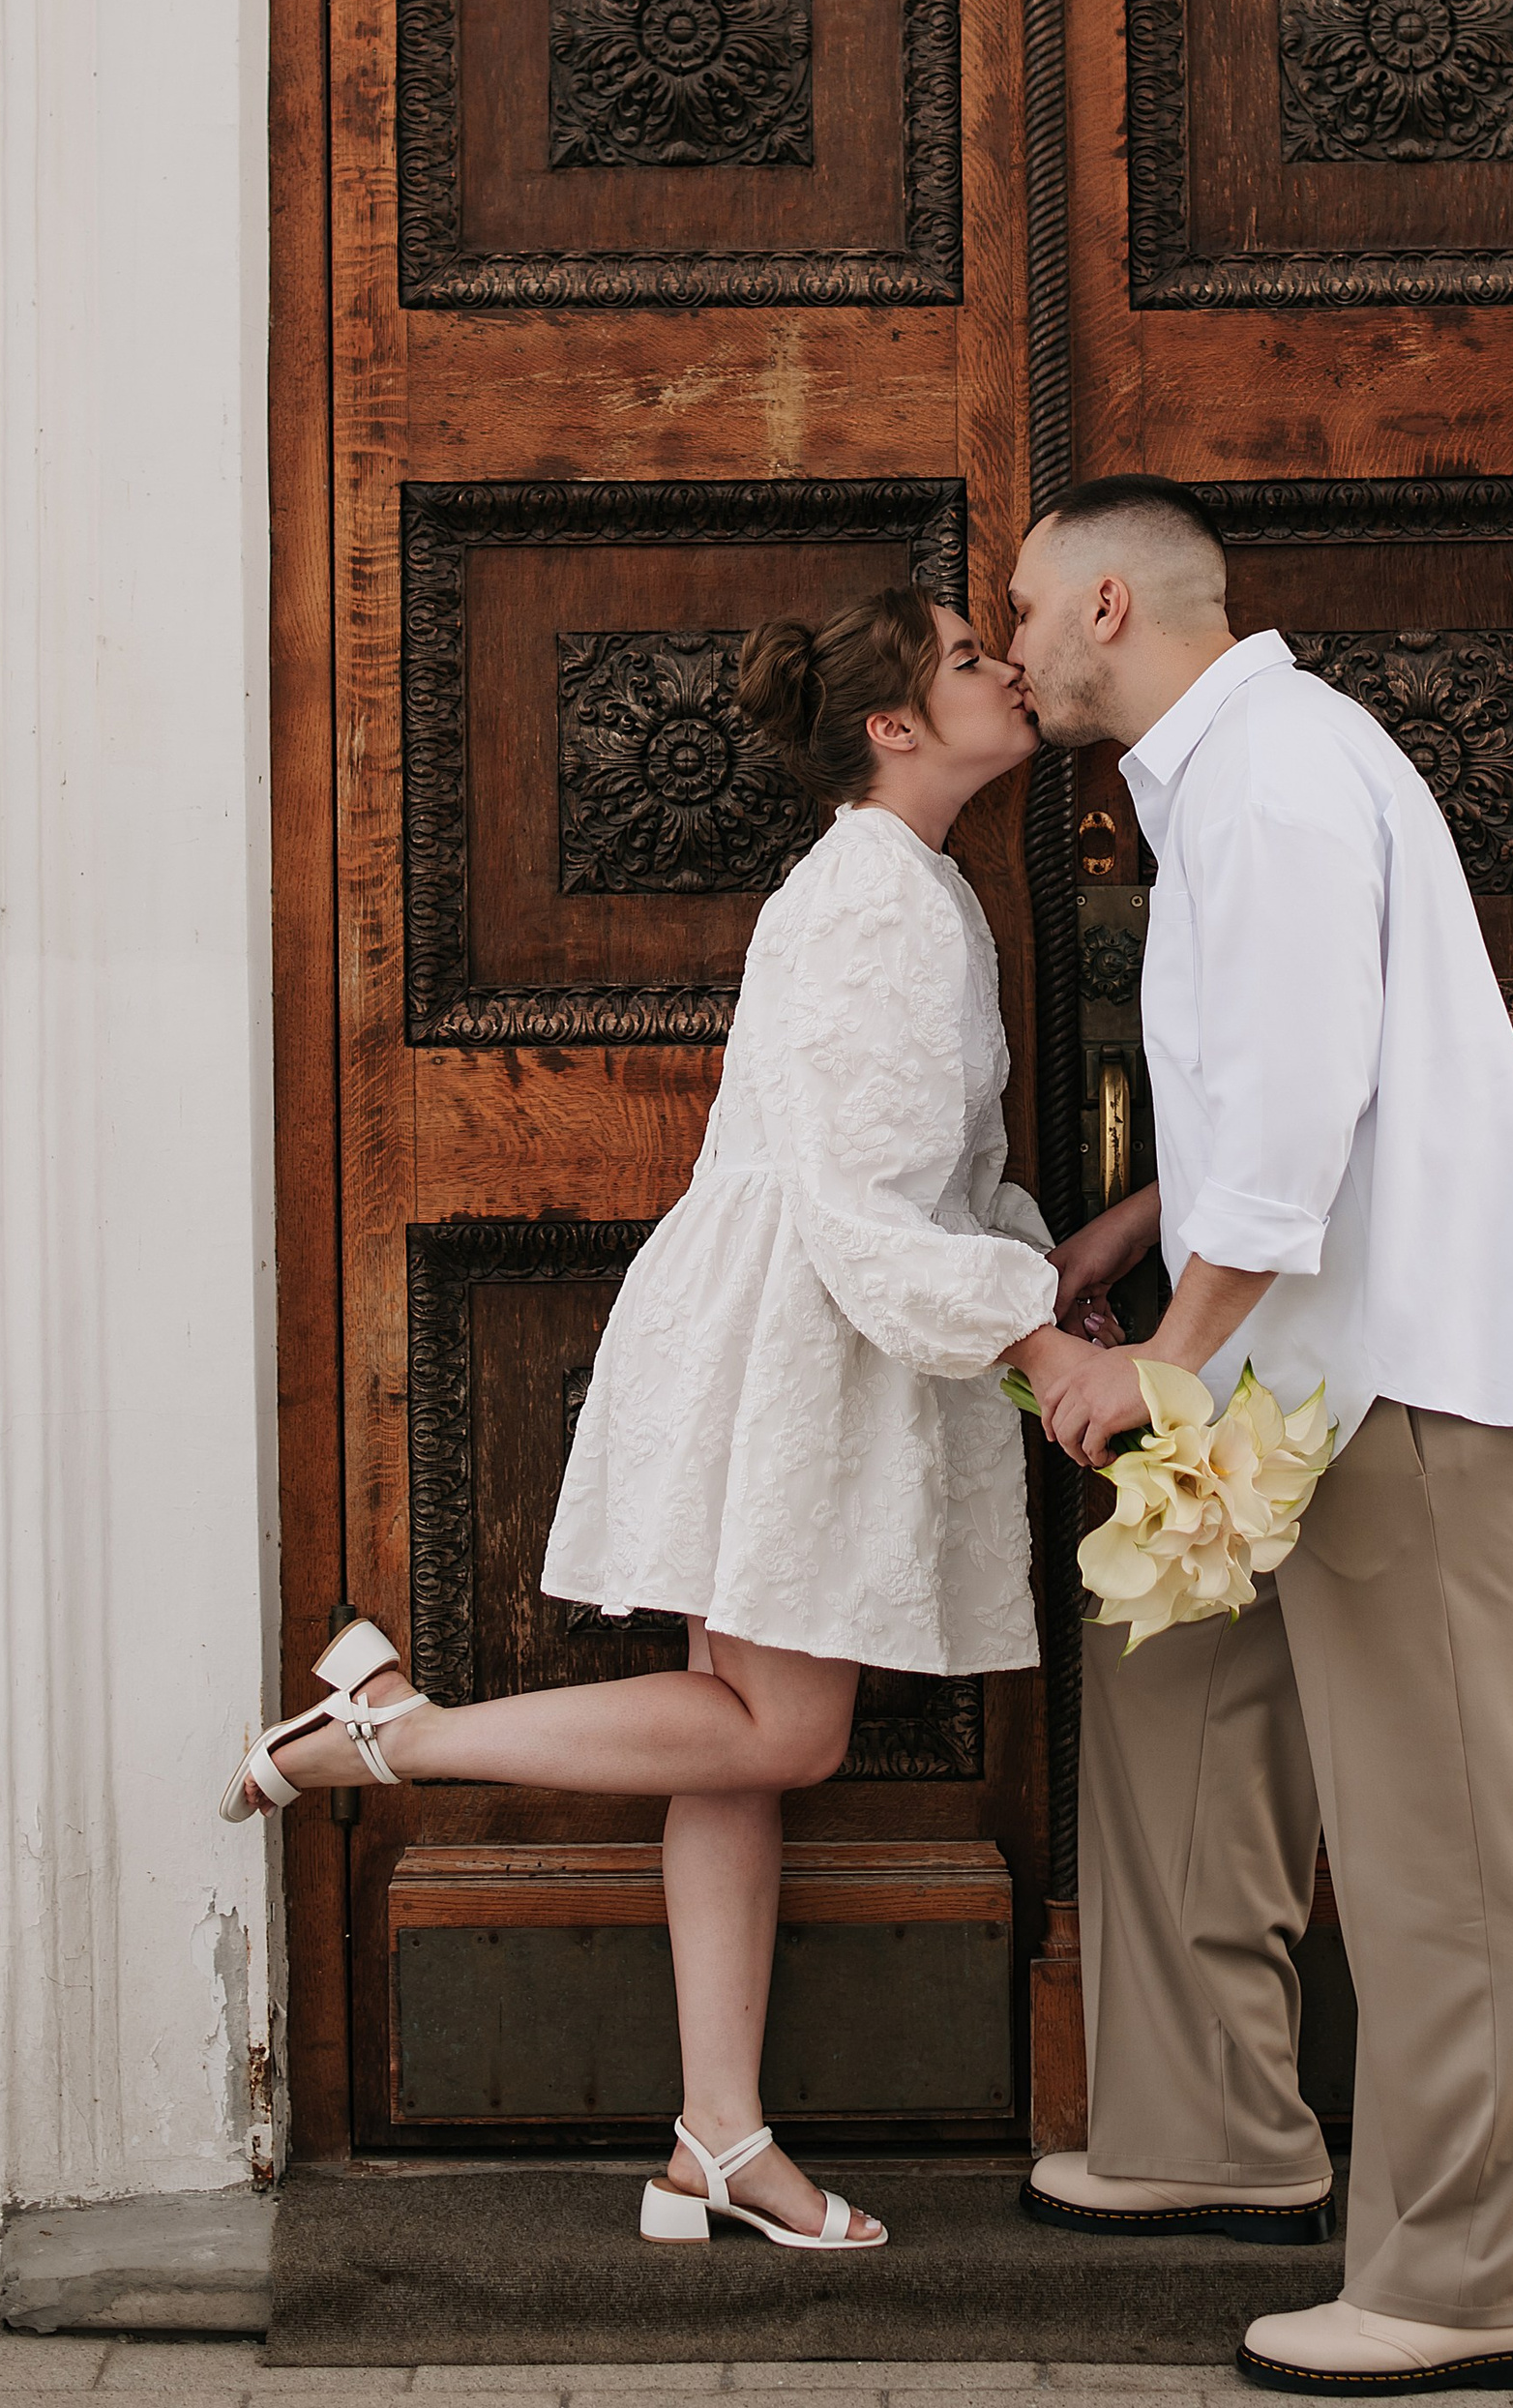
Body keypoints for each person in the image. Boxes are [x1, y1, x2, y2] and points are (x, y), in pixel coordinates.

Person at [219, 589, 1111, 2257]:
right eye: (970, 657)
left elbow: (918, 1172)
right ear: (895, 723)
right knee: (781, 1734)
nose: (1008, 668)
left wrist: (1042, 1274)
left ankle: (717, 2137)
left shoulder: (909, 888)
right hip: (797, 1341)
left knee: (735, 1731)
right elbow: (857, 1204)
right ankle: (394, 1734)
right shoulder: (879, 897)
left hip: (792, 1329)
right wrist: (1022, 1332)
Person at [1005, 478, 1513, 2399]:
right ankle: (1211, 2127)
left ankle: (1466, 2279)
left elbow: (1294, 1120)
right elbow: (1258, 1102)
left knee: (1443, 1834)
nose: (1010, 634)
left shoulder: (1276, 772)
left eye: (1020, 601)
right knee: (1171, 1701)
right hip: (1288, 1367)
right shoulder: (1230, 769)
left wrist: (1150, 1363)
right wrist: (1136, 1228)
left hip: (1393, 1382)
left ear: (1105, 599)